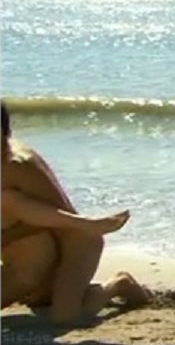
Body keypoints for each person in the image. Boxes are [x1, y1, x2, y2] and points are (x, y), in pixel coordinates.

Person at [1, 100, 151, 323]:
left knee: (65, 317)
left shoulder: (17, 164)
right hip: (46, 240)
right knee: (42, 300)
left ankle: (119, 284)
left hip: (76, 237)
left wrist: (6, 238)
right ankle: (61, 290)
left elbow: (59, 214)